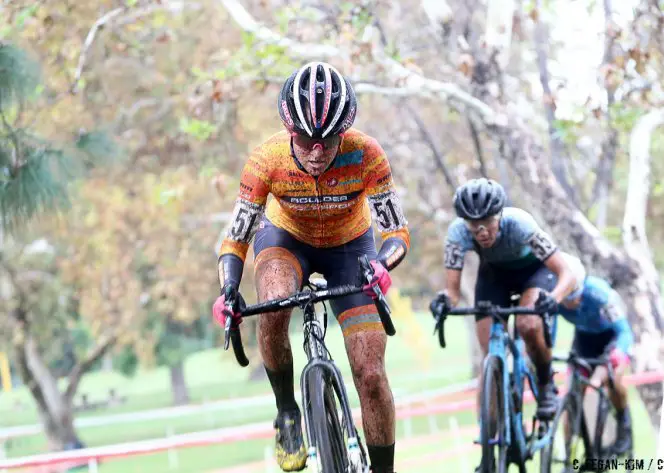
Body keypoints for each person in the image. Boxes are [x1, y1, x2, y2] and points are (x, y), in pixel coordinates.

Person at [212, 61, 410, 473]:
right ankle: (287, 411)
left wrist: (383, 265)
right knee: (274, 302)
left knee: (371, 374)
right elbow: (236, 236)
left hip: (351, 250)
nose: (316, 151)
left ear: (345, 132)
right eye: (304, 139)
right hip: (286, 242)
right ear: (289, 130)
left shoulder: (367, 153)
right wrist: (229, 287)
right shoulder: (266, 160)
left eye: (328, 139)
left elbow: (396, 232)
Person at [429, 178, 579, 432]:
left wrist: (552, 298)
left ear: (499, 215)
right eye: (474, 226)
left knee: (528, 324)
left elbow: (567, 274)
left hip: (534, 273)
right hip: (495, 276)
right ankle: (490, 438)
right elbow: (452, 293)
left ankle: (545, 384)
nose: (481, 232)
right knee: (489, 354)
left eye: (487, 222)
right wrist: (445, 300)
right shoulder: (457, 233)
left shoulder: (520, 223)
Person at [556, 253, 634, 456]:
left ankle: (623, 420)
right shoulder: (554, 296)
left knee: (609, 379)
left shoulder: (599, 294)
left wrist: (618, 353)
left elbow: (624, 331)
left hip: (611, 339)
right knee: (573, 394)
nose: (571, 304)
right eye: (567, 299)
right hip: (584, 342)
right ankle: (568, 454)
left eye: (576, 297)